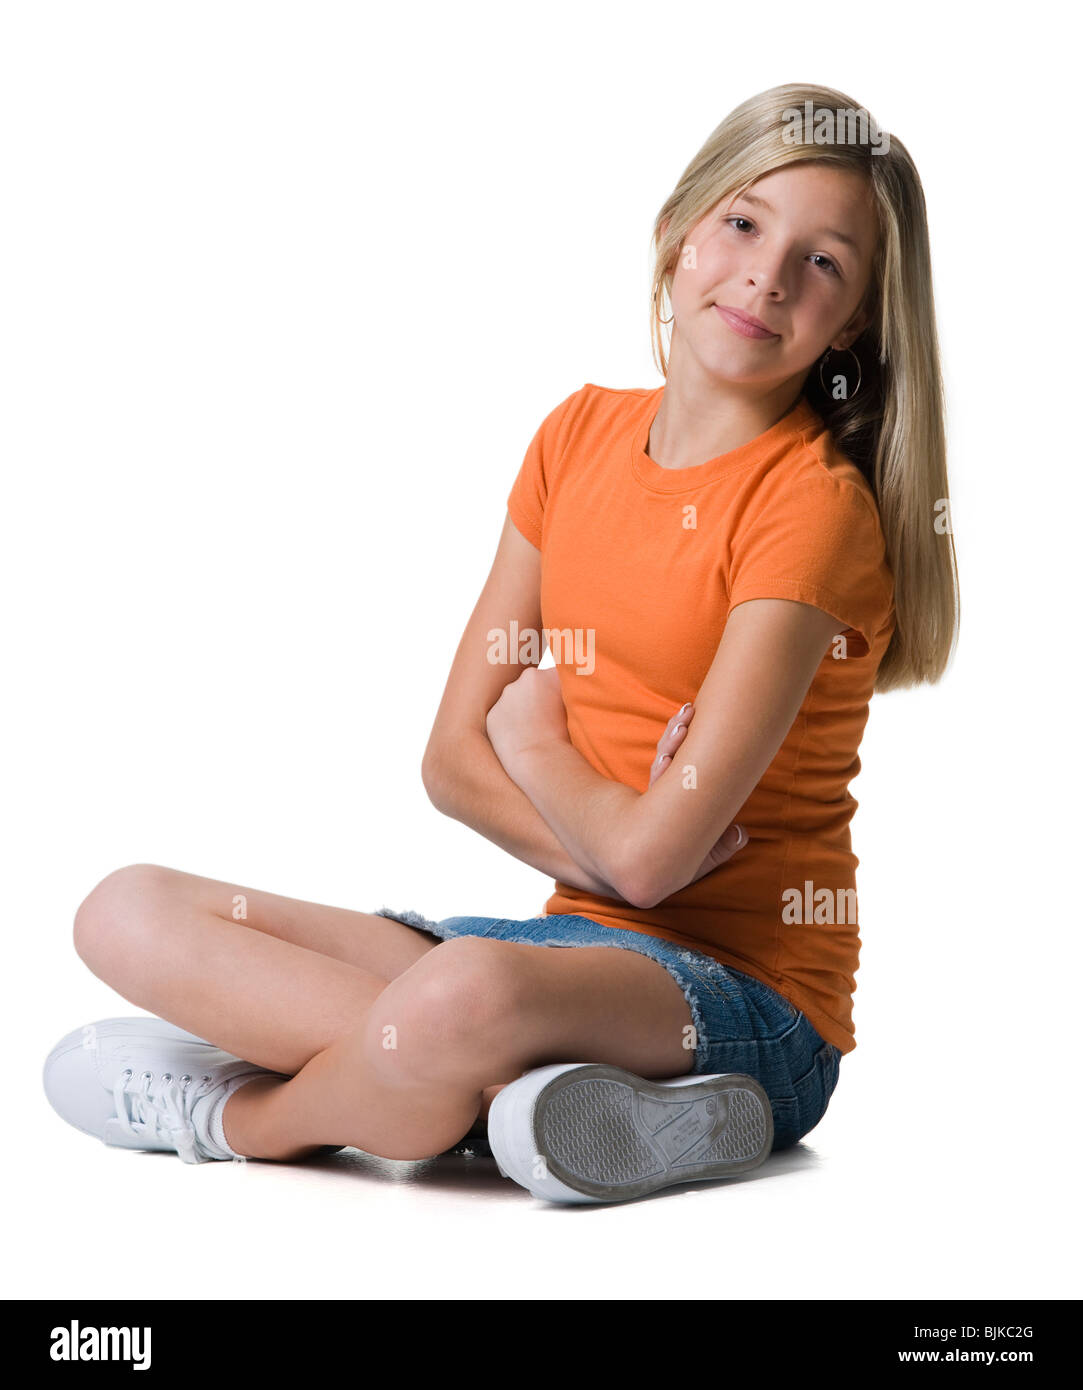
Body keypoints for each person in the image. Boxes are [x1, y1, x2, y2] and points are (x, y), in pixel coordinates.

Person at [43, 82, 958, 1204]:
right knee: (127, 909)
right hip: (561, 962)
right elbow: (449, 766)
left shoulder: (811, 508)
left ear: (855, 320)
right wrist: (620, 839)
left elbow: (632, 849)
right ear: (678, 231)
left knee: (460, 996)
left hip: (745, 996)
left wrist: (539, 752)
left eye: (825, 262)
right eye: (745, 222)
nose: (768, 275)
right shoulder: (576, 436)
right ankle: (530, 1104)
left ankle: (245, 1114)